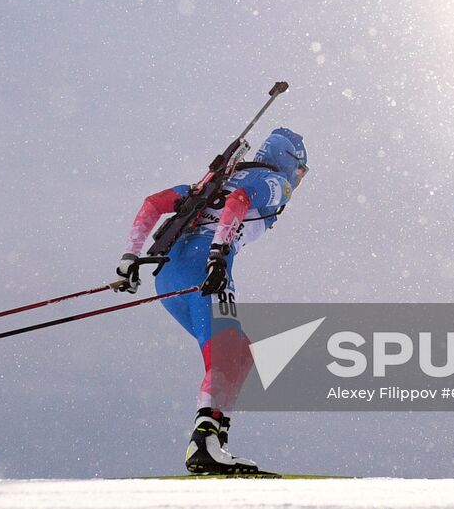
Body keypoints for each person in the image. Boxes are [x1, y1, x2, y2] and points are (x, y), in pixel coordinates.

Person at [111, 127, 308, 474]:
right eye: (302, 171)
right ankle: (204, 443)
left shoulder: (216, 182)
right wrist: (218, 254)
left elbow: (154, 203)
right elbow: (239, 202)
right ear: (290, 163)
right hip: (206, 271)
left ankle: (215, 440)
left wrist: (130, 256)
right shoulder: (276, 182)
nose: (301, 181)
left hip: (168, 277)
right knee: (228, 353)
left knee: (240, 354)